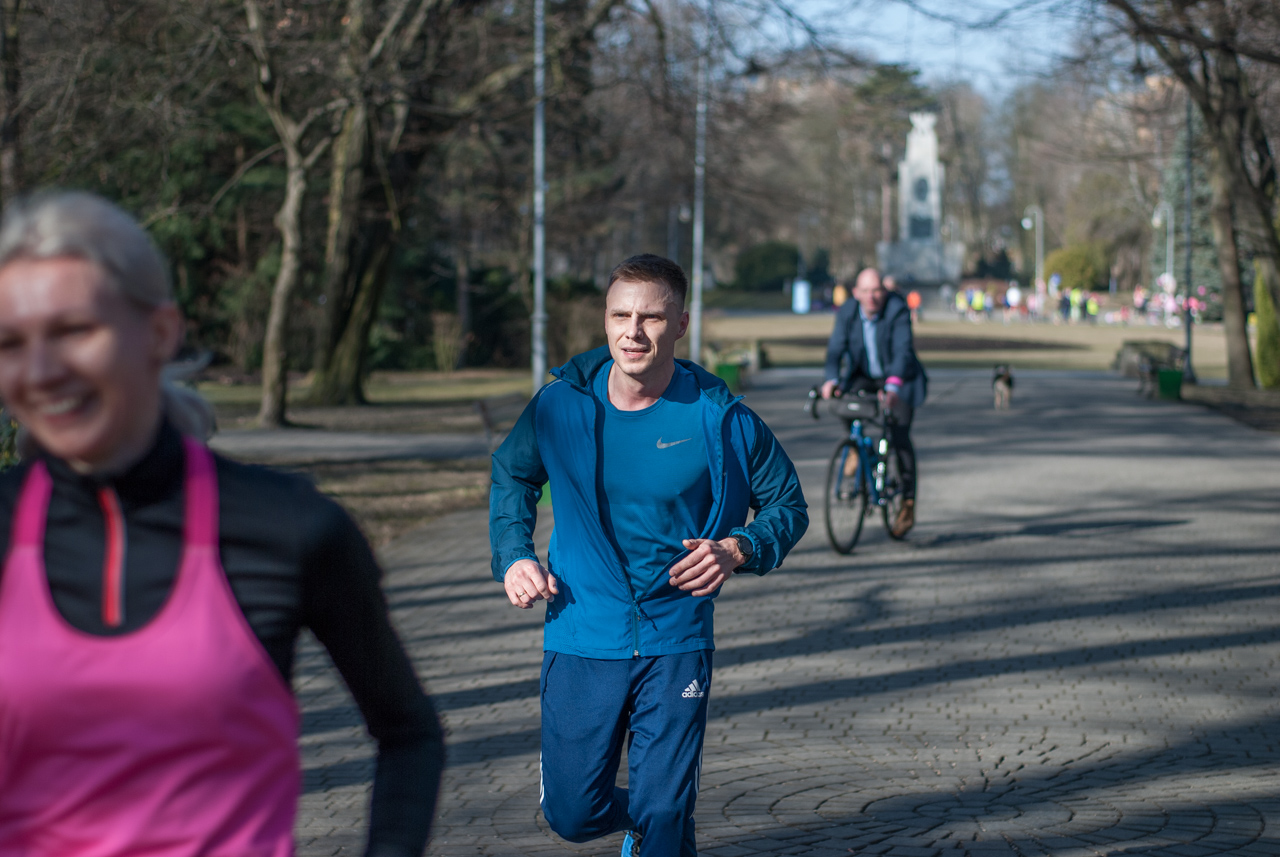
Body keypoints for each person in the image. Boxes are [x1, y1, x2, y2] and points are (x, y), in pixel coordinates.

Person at [0, 191, 444, 857]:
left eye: (73, 330)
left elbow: (408, 730)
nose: (40, 370)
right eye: (10, 342)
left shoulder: (289, 525)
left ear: (160, 331)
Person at [489, 254, 808, 857]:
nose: (632, 332)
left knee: (665, 811)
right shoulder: (561, 406)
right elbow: (512, 474)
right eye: (620, 315)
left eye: (651, 318)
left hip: (676, 638)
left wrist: (740, 547)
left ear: (680, 325)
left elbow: (787, 505)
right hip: (582, 630)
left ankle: (661, 831)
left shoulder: (720, 418)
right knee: (573, 813)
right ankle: (656, 828)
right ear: (605, 320)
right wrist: (513, 555)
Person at [821, 267, 927, 538]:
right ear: (856, 293)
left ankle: (907, 501)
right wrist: (831, 379)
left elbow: (903, 352)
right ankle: (855, 447)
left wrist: (892, 387)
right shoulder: (847, 312)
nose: (872, 297)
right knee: (844, 401)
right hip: (864, 376)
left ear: (885, 291)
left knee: (899, 436)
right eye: (865, 291)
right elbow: (835, 349)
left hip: (900, 378)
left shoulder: (897, 309)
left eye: (877, 290)